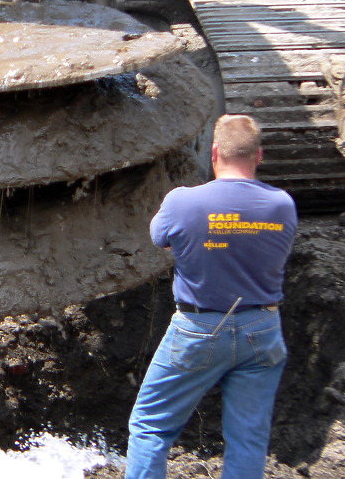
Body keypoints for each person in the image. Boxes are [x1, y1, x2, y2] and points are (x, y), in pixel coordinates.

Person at [125, 114, 298, 479]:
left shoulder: (182, 202)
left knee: (150, 426)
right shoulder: (283, 205)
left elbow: (161, 239)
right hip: (262, 330)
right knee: (248, 438)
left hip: (198, 328)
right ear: (259, 155)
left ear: (214, 151)